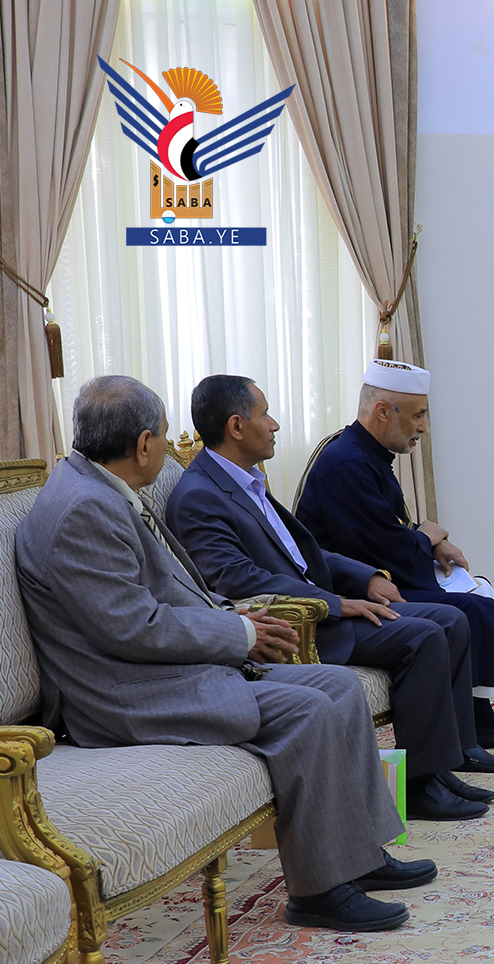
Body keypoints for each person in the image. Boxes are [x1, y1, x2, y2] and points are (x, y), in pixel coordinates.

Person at [15, 376, 429, 932]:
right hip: (124, 694)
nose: (166, 450)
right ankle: (320, 892)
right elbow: (133, 629)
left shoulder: (98, 485)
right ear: (143, 444)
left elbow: (171, 589)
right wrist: (238, 633)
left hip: (159, 669)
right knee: (307, 711)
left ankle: (363, 856)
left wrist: (231, 619)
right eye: (163, 438)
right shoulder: (83, 511)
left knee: (339, 686)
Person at [166, 374, 494, 820]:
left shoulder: (243, 478)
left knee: (449, 619)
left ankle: (445, 764)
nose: (274, 425)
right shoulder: (199, 495)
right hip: (299, 624)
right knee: (425, 635)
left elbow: (302, 551)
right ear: (236, 426)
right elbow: (237, 579)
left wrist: (365, 577)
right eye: (265, 414)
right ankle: (421, 785)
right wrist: (335, 603)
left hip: (323, 600)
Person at [295, 358, 494, 749]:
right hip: (357, 586)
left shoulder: (366, 455)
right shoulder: (345, 465)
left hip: (380, 573)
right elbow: (378, 548)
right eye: (417, 416)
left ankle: (481, 718)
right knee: (473, 606)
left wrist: (432, 539)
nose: (423, 427)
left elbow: (388, 528)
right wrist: (427, 536)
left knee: (480, 589)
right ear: (382, 411)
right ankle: (473, 727)